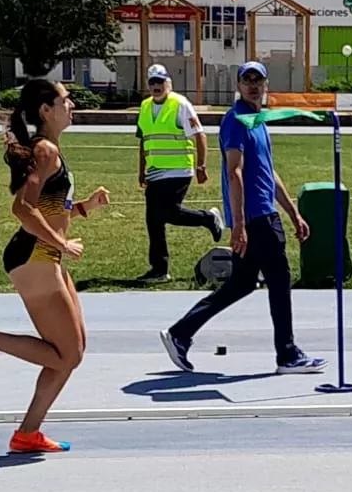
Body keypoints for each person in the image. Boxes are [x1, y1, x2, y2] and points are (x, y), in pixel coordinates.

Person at [0, 79, 111, 454]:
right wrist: (61, 242)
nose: (73, 105)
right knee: (67, 354)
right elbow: (22, 208)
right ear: (46, 110)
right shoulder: (45, 150)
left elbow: (52, 207)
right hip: (34, 257)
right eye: (66, 100)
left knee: (72, 353)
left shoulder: (52, 150)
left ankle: (28, 434)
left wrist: (84, 207)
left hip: (46, 256)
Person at [159, 61, 326, 375]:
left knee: (241, 284)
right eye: (246, 80)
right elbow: (234, 173)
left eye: (257, 80)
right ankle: (287, 354)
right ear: (238, 85)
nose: (252, 85)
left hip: (265, 213)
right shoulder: (235, 121)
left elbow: (267, 172)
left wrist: (293, 212)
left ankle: (180, 333)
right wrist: (240, 225)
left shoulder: (257, 121)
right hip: (257, 218)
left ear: (265, 85)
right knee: (280, 280)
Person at [135, 63, 224, 282]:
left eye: (160, 81)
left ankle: (208, 218)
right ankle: (159, 269)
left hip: (178, 169)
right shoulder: (145, 106)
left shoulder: (180, 104)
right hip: (155, 171)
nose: (157, 86)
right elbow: (143, 140)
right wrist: (141, 170)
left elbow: (200, 135)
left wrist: (201, 166)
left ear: (168, 83)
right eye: (152, 82)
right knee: (154, 220)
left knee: (166, 212)